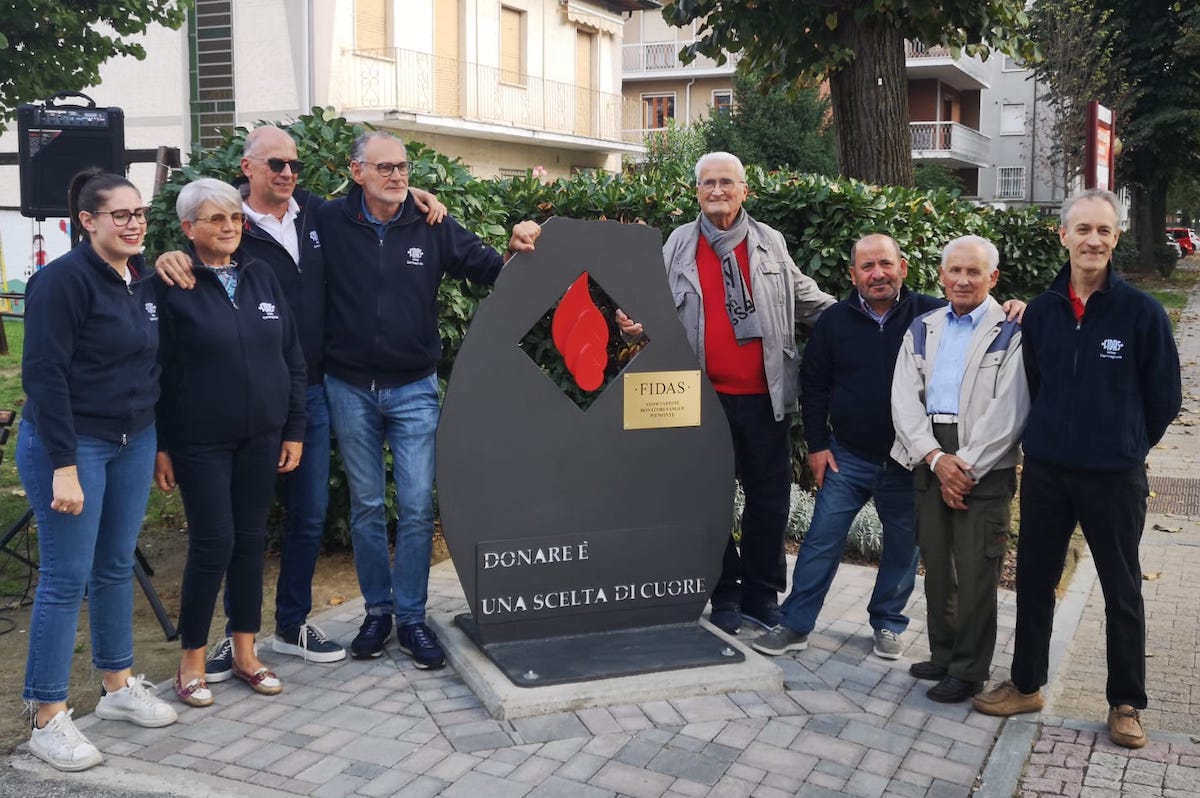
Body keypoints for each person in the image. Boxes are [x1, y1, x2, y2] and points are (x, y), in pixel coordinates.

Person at [155, 125, 447, 678]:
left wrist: (418, 196)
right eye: (274, 164)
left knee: (308, 518)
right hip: (235, 403)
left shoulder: (317, 214)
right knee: (235, 527)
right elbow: (198, 239)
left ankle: (289, 626)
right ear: (248, 168)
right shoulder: (229, 221)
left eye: (293, 164)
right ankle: (229, 639)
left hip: (311, 389)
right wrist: (172, 256)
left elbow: (382, 198)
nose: (287, 173)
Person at [318, 131, 540, 667]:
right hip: (348, 387)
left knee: (417, 507)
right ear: (357, 172)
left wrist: (518, 244)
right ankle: (377, 613)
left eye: (403, 167)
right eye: (385, 167)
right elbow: (260, 209)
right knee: (369, 506)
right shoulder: (325, 221)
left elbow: (494, 273)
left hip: (414, 388)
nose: (397, 176)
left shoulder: (431, 224)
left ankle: (413, 619)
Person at [973, 190, 1181, 750]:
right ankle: (1026, 684)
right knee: (1035, 581)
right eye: (1082, 229)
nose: (1093, 240)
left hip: (1114, 478)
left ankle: (1126, 702)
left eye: (1104, 231)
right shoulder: (1042, 312)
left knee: (1122, 589)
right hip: (1046, 474)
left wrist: (1125, 446)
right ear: (1062, 235)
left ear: (1115, 239)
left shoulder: (1141, 313)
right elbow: (1035, 384)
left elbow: (1164, 398)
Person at [753, 234, 1025, 661]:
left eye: (885, 264)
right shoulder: (834, 322)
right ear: (853, 274)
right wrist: (819, 446)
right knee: (822, 539)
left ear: (903, 266)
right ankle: (795, 623)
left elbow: (976, 314)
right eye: (866, 267)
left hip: (908, 459)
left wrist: (1015, 306)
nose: (877, 274)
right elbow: (815, 387)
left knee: (903, 547)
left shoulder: (931, 314)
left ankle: (887, 622)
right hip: (849, 457)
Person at [617, 151, 836, 635]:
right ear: (697, 191)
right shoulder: (678, 244)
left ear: (744, 191)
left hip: (765, 395)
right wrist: (632, 325)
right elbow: (645, 308)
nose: (717, 191)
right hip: (701, 398)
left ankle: (761, 595)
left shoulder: (769, 243)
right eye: (709, 183)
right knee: (707, 499)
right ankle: (725, 593)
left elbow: (804, 298)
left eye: (726, 183)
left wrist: (861, 315)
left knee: (770, 501)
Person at [18, 169, 177, 772]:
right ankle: (47, 716)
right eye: (120, 214)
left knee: (115, 565)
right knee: (65, 577)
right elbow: (44, 376)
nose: (134, 222)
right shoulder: (61, 282)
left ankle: (116, 687)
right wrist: (63, 466)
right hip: (70, 444)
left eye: (139, 213)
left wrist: (155, 441)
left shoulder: (140, 279)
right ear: (87, 222)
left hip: (133, 438)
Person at [154, 178, 307, 707]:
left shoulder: (262, 276)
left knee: (249, 542)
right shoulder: (172, 282)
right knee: (213, 543)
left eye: (236, 219)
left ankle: (246, 653)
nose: (229, 228)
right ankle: (191, 660)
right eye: (216, 219)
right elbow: (159, 370)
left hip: (262, 436)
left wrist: (294, 427)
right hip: (200, 440)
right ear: (188, 227)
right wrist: (162, 443)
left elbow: (292, 357)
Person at [890, 235, 1030, 702]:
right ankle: (945, 654)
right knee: (938, 562)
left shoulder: (1011, 329)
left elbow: (1010, 409)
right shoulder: (923, 327)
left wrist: (963, 466)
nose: (963, 280)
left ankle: (970, 670)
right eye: (955, 271)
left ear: (993, 278)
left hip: (982, 459)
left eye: (974, 272)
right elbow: (903, 400)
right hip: (930, 453)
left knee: (975, 568)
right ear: (941, 276)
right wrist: (934, 458)